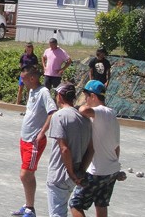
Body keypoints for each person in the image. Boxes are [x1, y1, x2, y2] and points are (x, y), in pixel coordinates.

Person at [70, 80, 126, 217]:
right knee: (101, 204)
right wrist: (115, 167)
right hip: (110, 170)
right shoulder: (111, 114)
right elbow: (116, 147)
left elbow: (83, 110)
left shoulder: (101, 111)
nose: (85, 100)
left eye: (86, 97)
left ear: (93, 96)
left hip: (97, 171)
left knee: (75, 204)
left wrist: (79, 106)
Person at [12, 65, 58, 217]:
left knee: (25, 175)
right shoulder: (31, 90)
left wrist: (41, 133)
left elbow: (52, 112)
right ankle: (27, 205)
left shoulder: (43, 92)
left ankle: (30, 210)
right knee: (27, 175)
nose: (21, 81)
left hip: (34, 141)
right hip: (24, 138)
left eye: (23, 78)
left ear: (32, 78)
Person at [46, 84, 93, 217]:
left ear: (60, 96)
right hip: (76, 176)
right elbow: (91, 149)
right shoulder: (85, 119)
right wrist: (81, 172)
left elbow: (64, 149)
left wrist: (71, 173)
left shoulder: (59, 116)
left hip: (60, 174)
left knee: (57, 214)